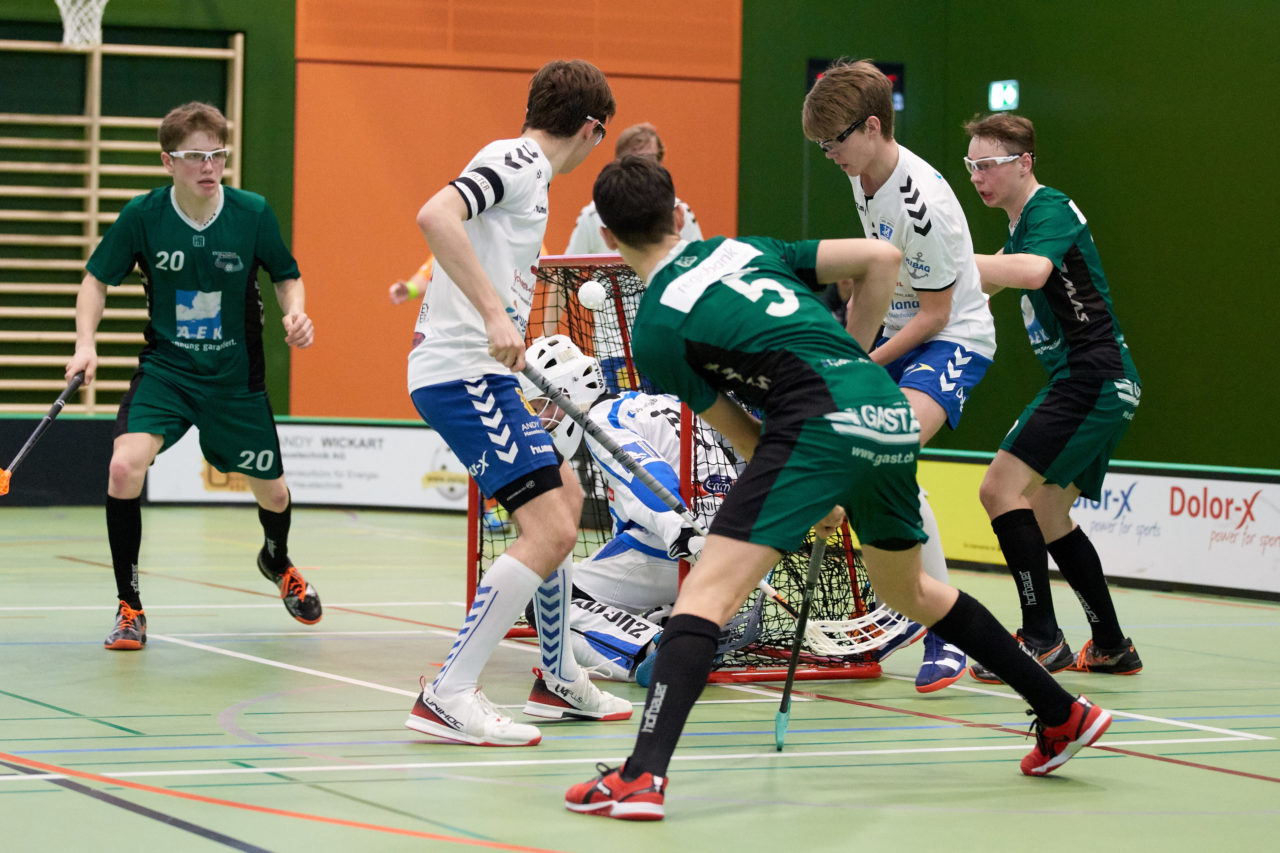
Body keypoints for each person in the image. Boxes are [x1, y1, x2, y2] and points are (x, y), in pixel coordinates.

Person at [563, 156, 1114, 821]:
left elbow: (740, 429)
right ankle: (1062, 712)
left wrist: (810, 477)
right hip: (883, 408)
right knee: (910, 591)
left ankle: (641, 775)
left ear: (611, 238)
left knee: (706, 591)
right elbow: (880, 259)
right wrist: (852, 366)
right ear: (678, 215)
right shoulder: (740, 248)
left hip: (812, 421)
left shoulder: (653, 330)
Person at [403, 59, 632, 748]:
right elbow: (434, 213)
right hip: (461, 372)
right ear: (592, 129)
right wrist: (496, 318)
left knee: (562, 502)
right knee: (553, 531)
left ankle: (559, 676)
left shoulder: (523, 170)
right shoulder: (521, 161)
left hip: (484, 374)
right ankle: (448, 691)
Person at [65, 102, 321, 651]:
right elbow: (95, 281)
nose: (209, 166)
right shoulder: (142, 216)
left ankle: (276, 560)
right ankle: (130, 607)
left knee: (274, 496)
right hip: (168, 372)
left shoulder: (251, 213)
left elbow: (286, 274)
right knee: (123, 467)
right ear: (168, 161)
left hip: (236, 381)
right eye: (195, 156)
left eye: (218, 154)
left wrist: (295, 314)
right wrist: (84, 345)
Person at [802, 59, 998, 692]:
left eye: (836, 141)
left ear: (873, 126)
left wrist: (862, 363)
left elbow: (938, 315)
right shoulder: (863, 174)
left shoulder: (922, 204)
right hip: (900, 331)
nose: (830, 154)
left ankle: (946, 631)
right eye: (822, 144)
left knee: (886, 445)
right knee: (875, 457)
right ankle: (924, 606)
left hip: (952, 340)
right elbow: (877, 277)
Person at [962, 112, 1143, 681]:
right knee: (1046, 508)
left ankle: (1041, 638)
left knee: (1000, 488)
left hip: (1092, 376)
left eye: (987, 165)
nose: (977, 177)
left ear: (1024, 163)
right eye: (970, 166)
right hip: (1099, 381)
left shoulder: (1050, 209)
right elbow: (989, 283)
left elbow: (1034, 272)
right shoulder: (1019, 228)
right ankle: (1112, 645)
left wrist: (954, 264)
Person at [518, 335, 738, 682]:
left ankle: (656, 647)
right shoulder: (657, 403)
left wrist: (683, 529)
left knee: (547, 597)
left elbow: (645, 474)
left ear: (569, 390)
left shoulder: (603, 422)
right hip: (739, 549)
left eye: (544, 405)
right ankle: (678, 616)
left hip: (687, 550)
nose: (542, 419)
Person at [563, 122, 704, 391]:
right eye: (636, 159)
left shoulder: (683, 212)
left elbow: (701, 276)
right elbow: (563, 275)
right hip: (614, 352)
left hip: (669, 349)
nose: (644, 166)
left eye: (651, 158)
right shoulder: (593, 217)